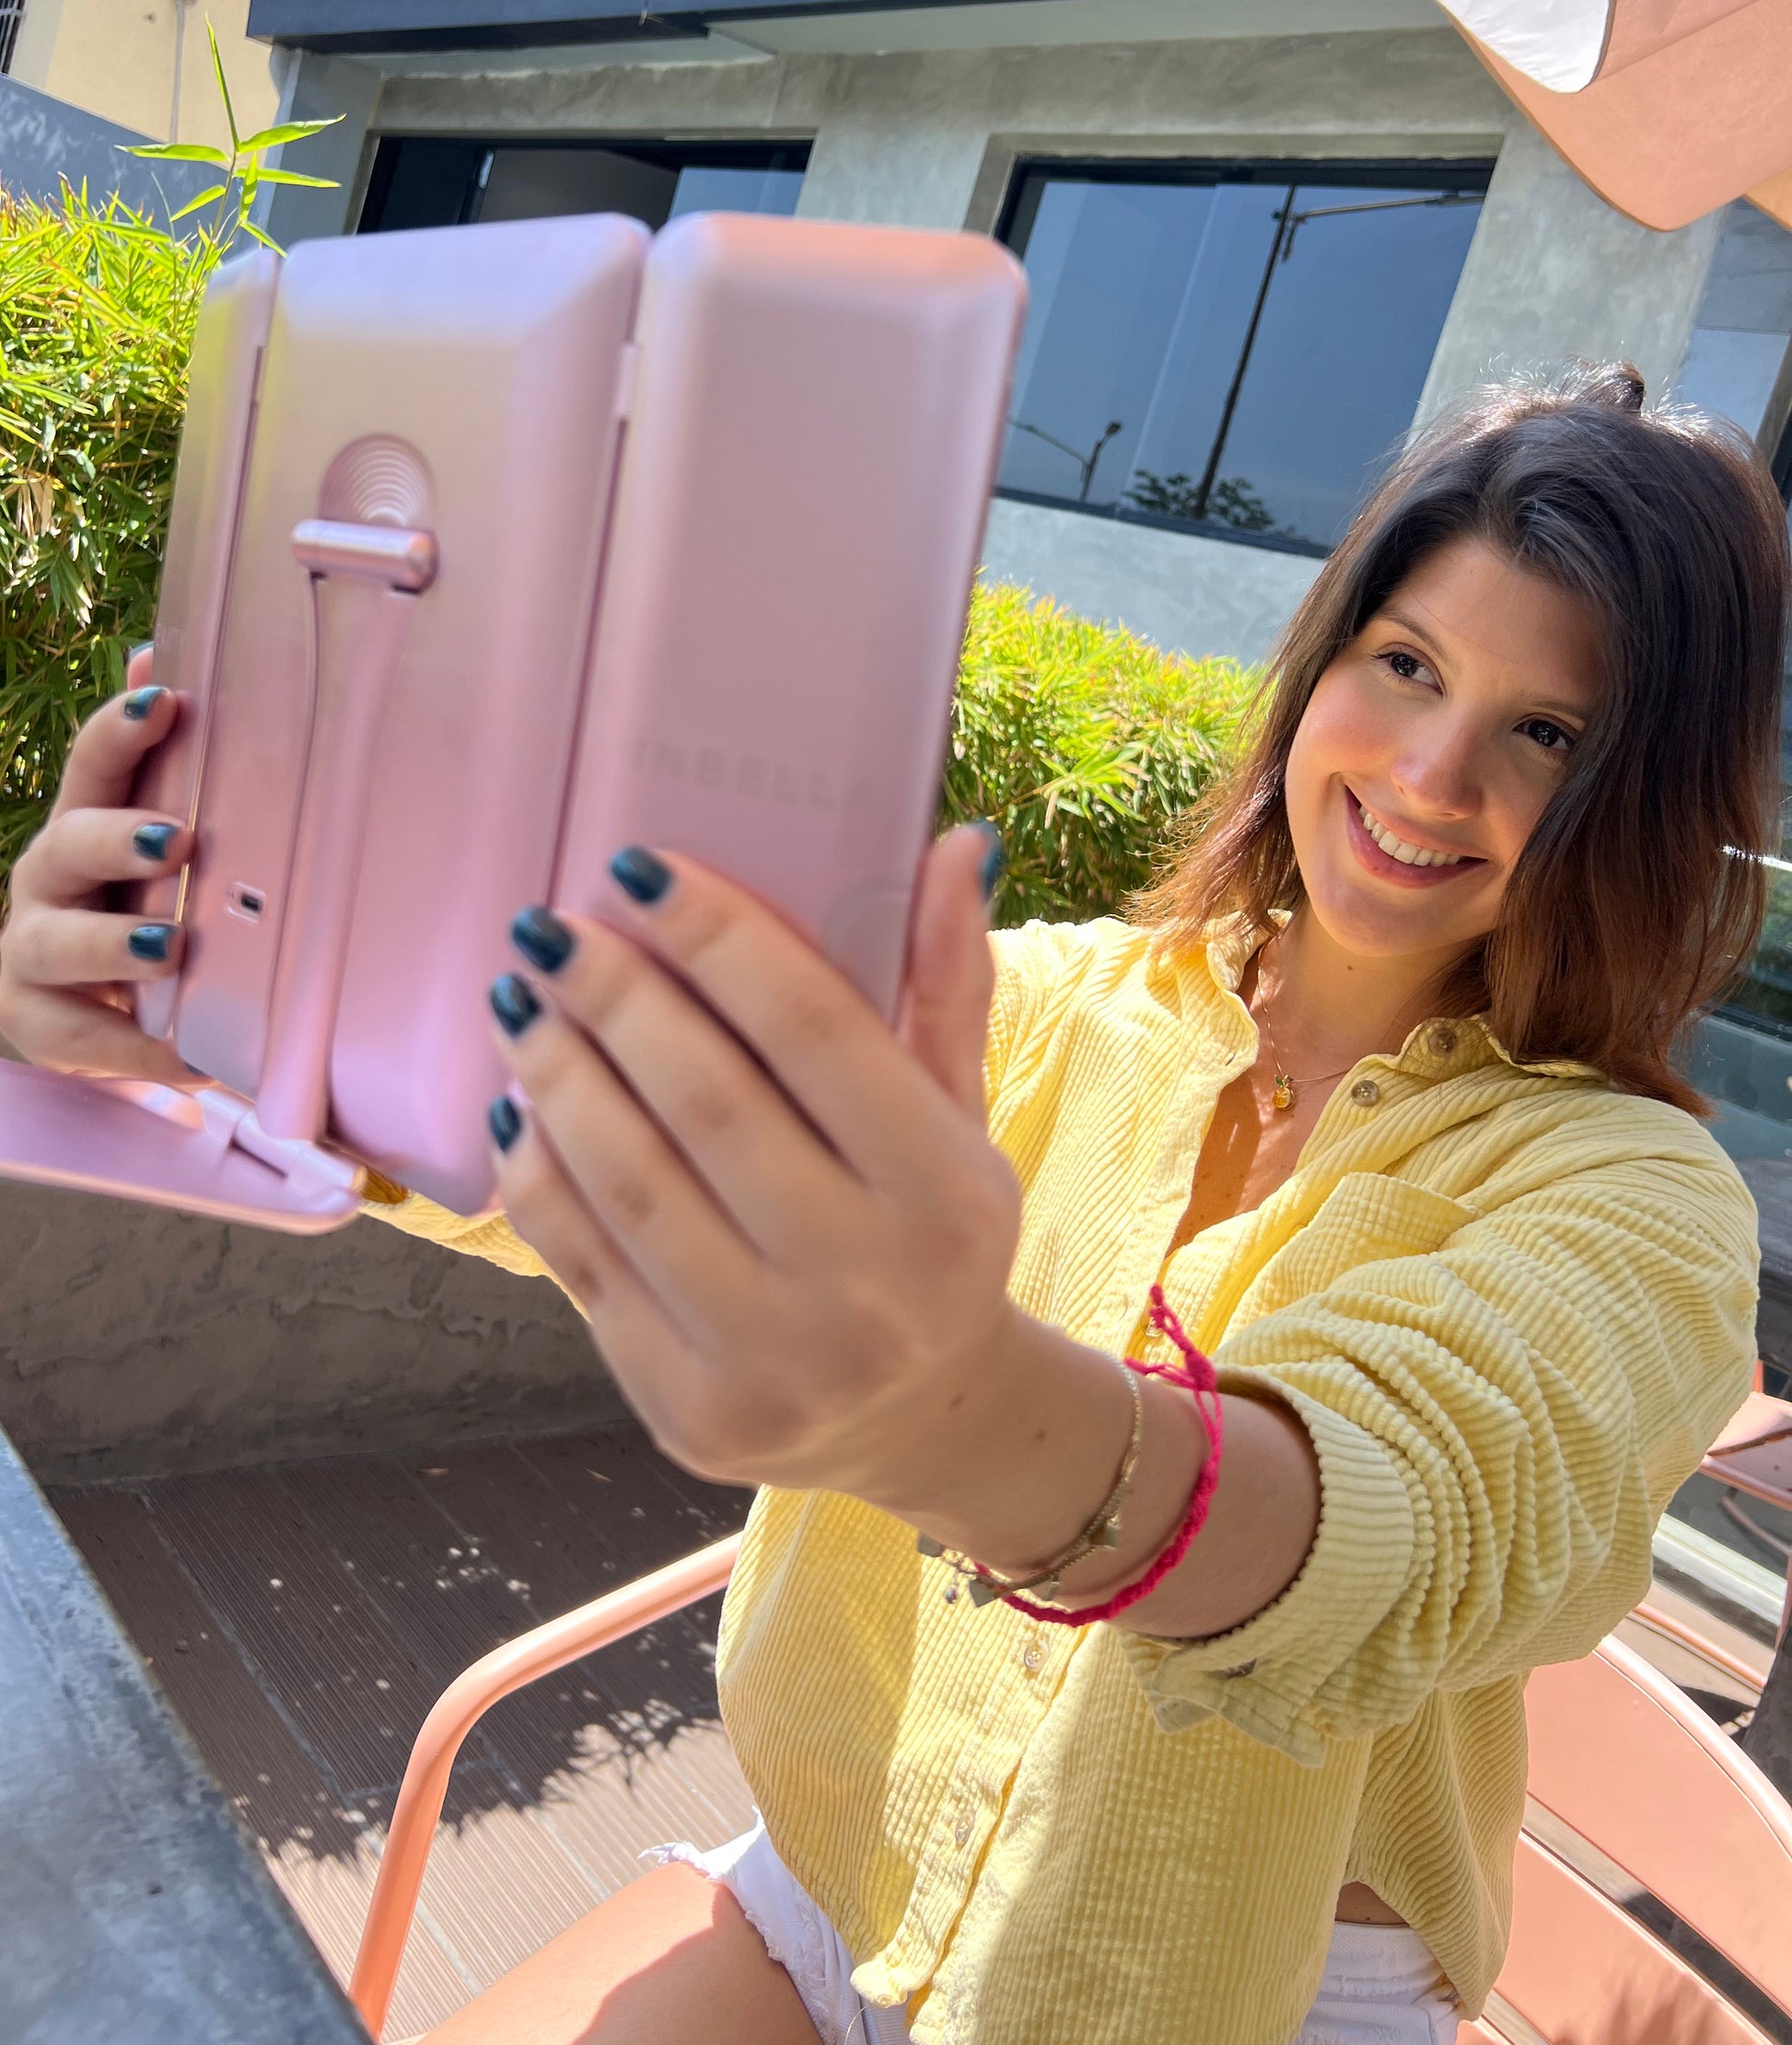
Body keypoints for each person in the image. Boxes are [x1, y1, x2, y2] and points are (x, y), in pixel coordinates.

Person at [2, 365, 1786, 2045]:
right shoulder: (1069, 1005)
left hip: (1228, 1991)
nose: (1425, 775)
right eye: (1402, 663)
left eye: (1542, 730)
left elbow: (1404, 1523)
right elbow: (629, 1126)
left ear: (1643, 805)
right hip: (840, 1876)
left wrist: (941, 1405)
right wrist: (211, 1023)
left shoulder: (1629, 1202)